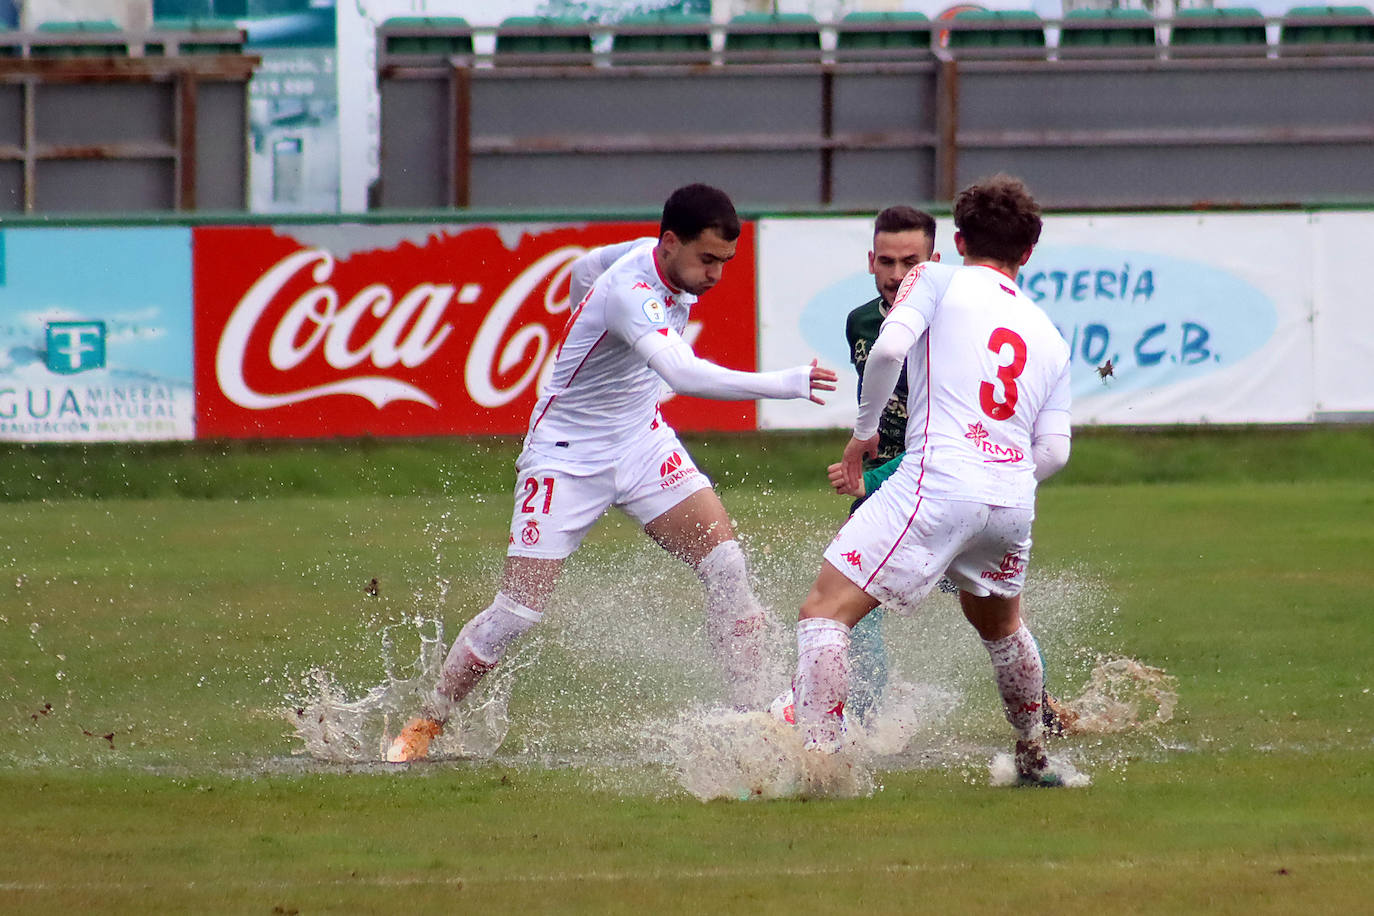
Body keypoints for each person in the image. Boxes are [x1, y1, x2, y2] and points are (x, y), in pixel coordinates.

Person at [387, 183, 839, 762]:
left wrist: (584, 308)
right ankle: (427, 723)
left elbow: (582, 267)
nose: (715, 276)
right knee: (519, 611)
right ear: (671, 242)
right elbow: (686, 375)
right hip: (566, 455)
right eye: (707, 260)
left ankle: (751, 719)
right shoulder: (633, 290)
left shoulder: (642, 256)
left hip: (639, 441)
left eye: (725, 263)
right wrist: (787, 383)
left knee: (726, 564)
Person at [791, 175, 1076, 786]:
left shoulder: (936, 280)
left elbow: (891, 351)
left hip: (936, 481)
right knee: (1003, 631)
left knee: (823, 612)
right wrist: (1001, 476)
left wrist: (864, 432)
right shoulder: (1049, 333)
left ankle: (819, 766)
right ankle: (1033, 758)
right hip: (1010, 500)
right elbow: (1053, 450)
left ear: (959, 239)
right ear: (1028, 253)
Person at [840, 206, 941, 722]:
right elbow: (873, 406)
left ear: (935, 263)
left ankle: (1040, 705)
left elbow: (944, 434)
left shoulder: (948, 327)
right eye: (887, 261)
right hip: (885, 490)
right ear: (871, 262)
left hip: (939, 486)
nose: (897, 275)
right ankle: (861, 719)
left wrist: (869, 475)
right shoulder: (860, 321)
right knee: (848, 600)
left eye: (911, 262)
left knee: (993, 605)